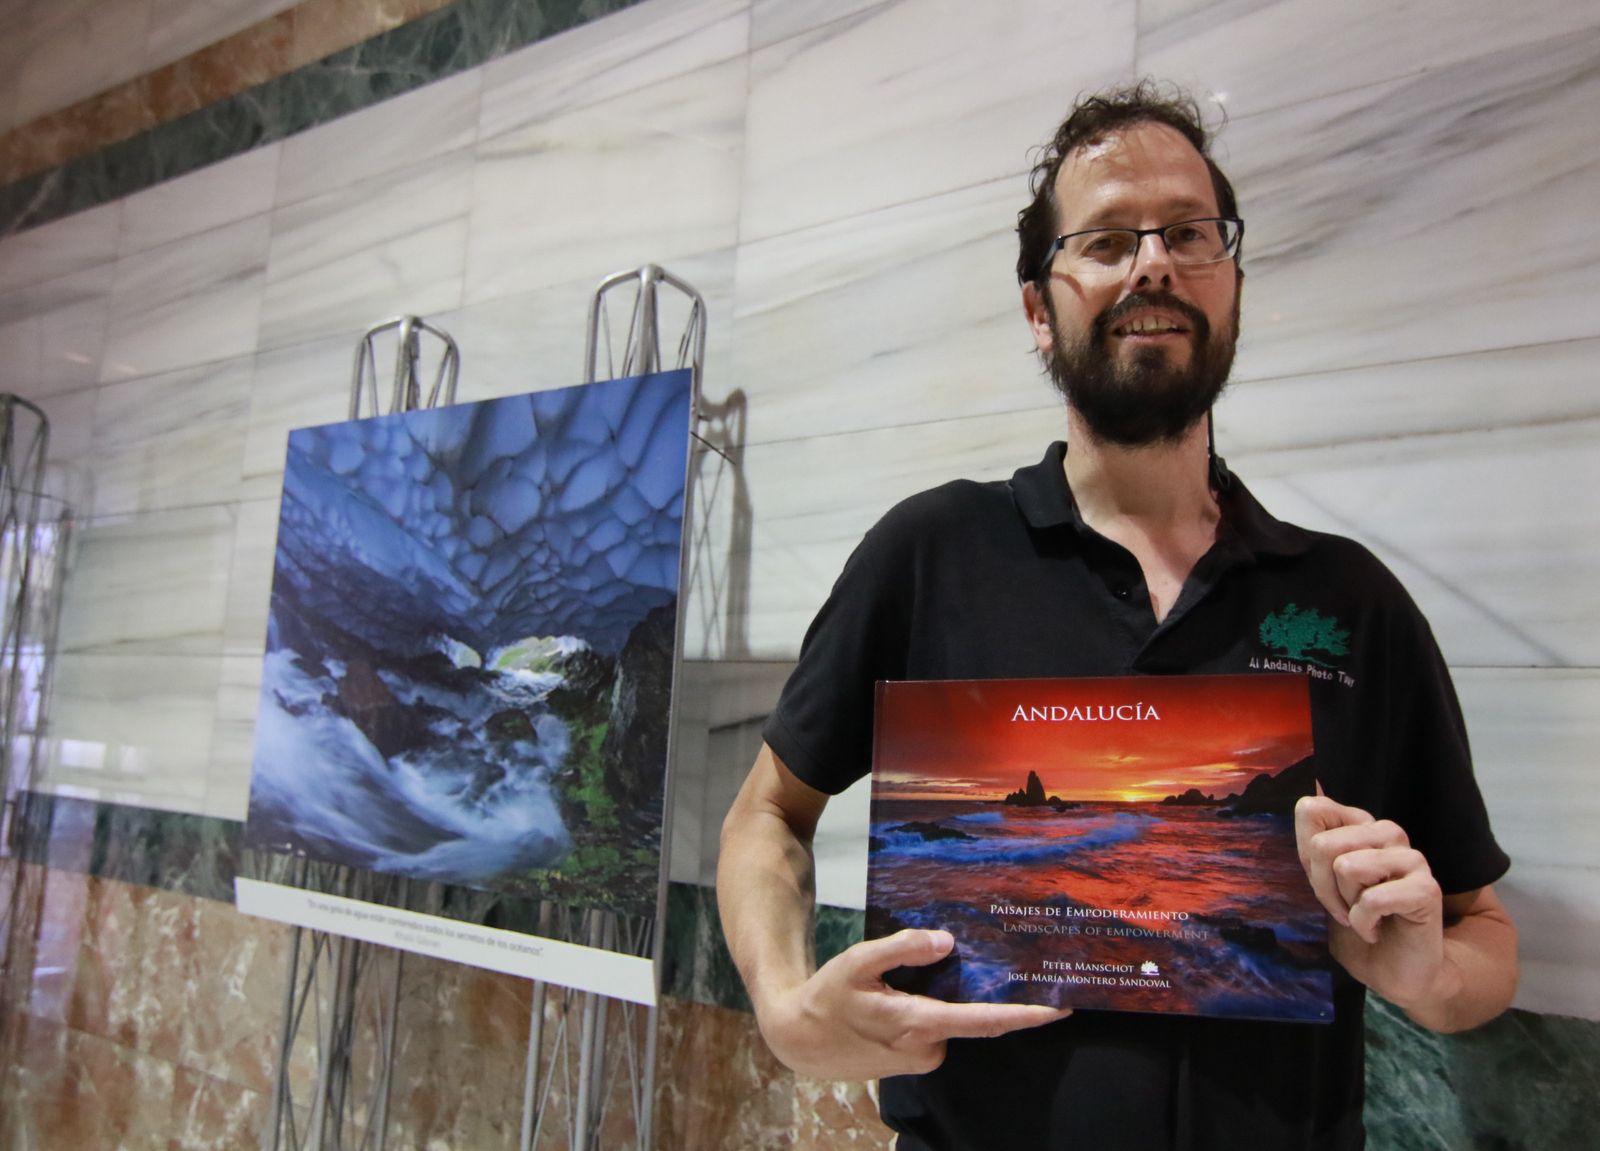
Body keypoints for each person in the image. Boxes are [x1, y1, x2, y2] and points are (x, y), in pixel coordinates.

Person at [715, 80, 1517, 1150]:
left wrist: (1432, 975)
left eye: (1188, 233)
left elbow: (1484, 936)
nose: (1152, 262)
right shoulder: (931, 554)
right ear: (1039, 309)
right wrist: (783, 1003)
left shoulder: (1351, 601)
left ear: (1230, 283)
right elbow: (765, 815)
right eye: (1104, 241)